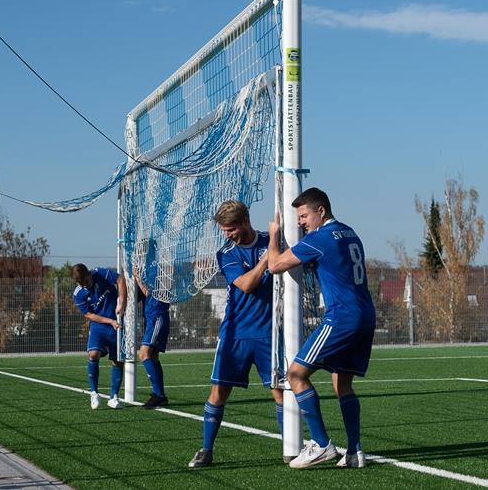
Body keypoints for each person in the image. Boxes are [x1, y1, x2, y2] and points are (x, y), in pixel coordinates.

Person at [267, 187, 376, 469]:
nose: (301, 222)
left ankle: (321, 444)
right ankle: (354, 451)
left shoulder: (320, 238)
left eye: (304, 215)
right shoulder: (349, 232)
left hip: (342, 316)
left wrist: (273, 235)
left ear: (321, 211)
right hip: (365, 314)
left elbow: (276, 265)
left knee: (295, 374)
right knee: (342, 382)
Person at [188, 200, 285, 468]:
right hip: (236, 333)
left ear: (245, 221)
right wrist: (268, 257)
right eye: (223, 229)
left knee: (280, 391)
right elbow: (246, 285)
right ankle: (206, 450)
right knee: (219, 391)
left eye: (230, 228)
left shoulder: (271, 239)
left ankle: (290, 447)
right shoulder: (227, 253)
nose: (226, 234)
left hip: (270, 333)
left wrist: (276, 236)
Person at [72, 263, 128, 410]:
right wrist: (109, 321)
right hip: (99, 326)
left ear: (89, 275)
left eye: (87, 282)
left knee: (118, 360)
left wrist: (121, 302)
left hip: (117, 323)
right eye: (83, 284)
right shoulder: (78, 294)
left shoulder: (100, 273)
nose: (86, 286)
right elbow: (89, 315)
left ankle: (114, 397)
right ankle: (94, 393)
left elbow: (120, 279)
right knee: (93, 354)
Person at [133, 262, 171, 409]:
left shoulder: (156, 268)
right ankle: (160, 396)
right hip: (151, 318)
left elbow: (147, 291)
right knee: (153, 356)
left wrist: (136, 275)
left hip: (157, 316)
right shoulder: (147, 269)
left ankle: (159, 395)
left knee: (144, 353)